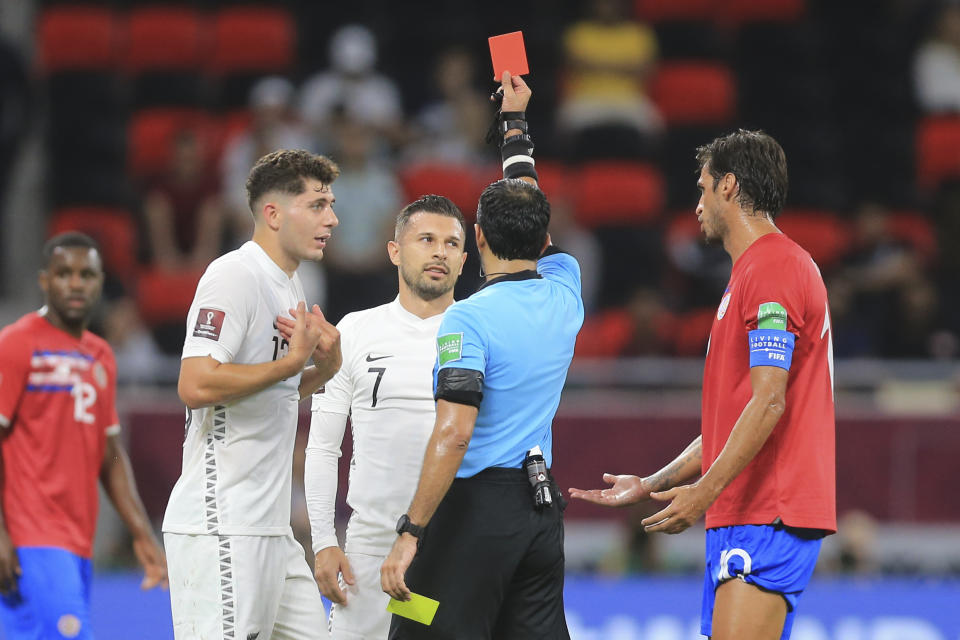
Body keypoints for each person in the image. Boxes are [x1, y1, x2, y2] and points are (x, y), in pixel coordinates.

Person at [570, 130, 837, 640]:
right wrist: (654, 484)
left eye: (703, 189)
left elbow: (769, 400)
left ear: (730, 187)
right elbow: (732, 421)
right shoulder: (750, 275)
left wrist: (703, 493)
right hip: (747, 512)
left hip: (768, 510)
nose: (697, 206)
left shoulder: (775, 268)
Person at [380, 71, 584, 640]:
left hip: (474, 512)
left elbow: (453, 433)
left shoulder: (466, 318)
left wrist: (412, 530)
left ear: (478, 238)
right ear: (545, 244)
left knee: (416, 626)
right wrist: (514, 127)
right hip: (540, 513)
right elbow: (531, 204)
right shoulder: (566, 288)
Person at [162, 149, 343, 640]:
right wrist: (290, 362)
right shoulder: (233, 276)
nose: (332, 218)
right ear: (273, 213)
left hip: (272, 528)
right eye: (318, 204)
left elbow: (271, 390)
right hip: (223, 523)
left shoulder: (289, 285)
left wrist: (322, 369)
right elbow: (196, 384)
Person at [297, 194, 467, 639]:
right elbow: (322, 446)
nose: (438, 252)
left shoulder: (478, 334)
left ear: (465, 260)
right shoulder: (355, 329)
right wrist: (324, 542)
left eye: (451, 244)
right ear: (394, 251)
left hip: (448, 549)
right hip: (368, 551)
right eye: (426, 239)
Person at [0, 232, 167, 639]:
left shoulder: (100, 356)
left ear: (99, 281)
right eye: (64, 274)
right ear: (45, 280)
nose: (76, 283)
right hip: (30, 538)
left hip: (77, 541)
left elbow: (109, 454)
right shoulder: (17, 345)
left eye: (86, 274)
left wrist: (142, 534)